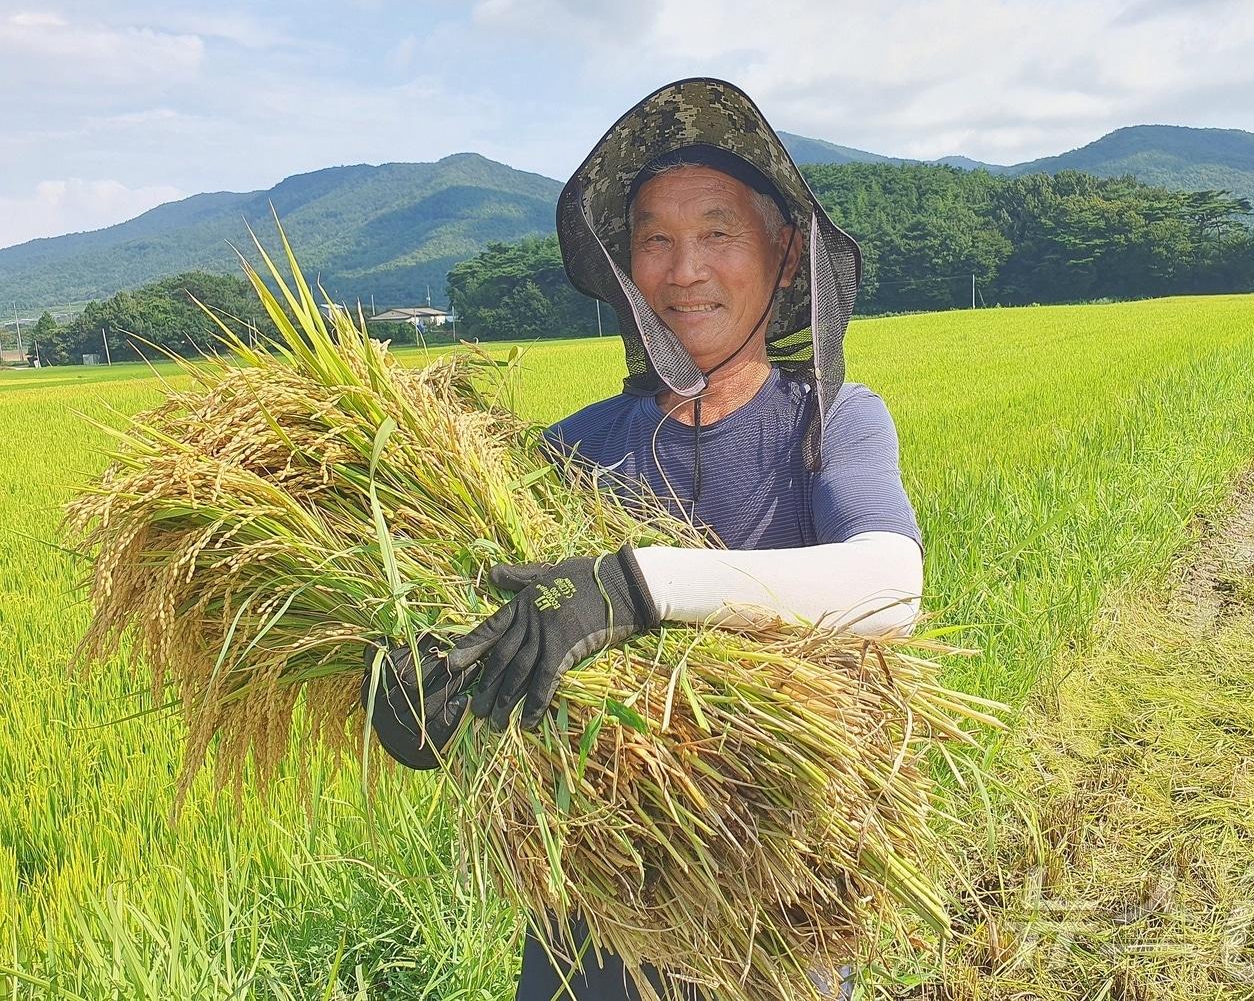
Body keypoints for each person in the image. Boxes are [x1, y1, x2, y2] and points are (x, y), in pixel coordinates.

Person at [363, 77, 925, 1000]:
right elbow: (504, 631)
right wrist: (431, 701)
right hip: (587, 920)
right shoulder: (569, 451)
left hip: (768, 904)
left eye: (716, 233)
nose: (684, 269)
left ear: (785, 258)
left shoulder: (829, 423)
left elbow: (890, 586)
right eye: (654, 240)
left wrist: (635, 588)